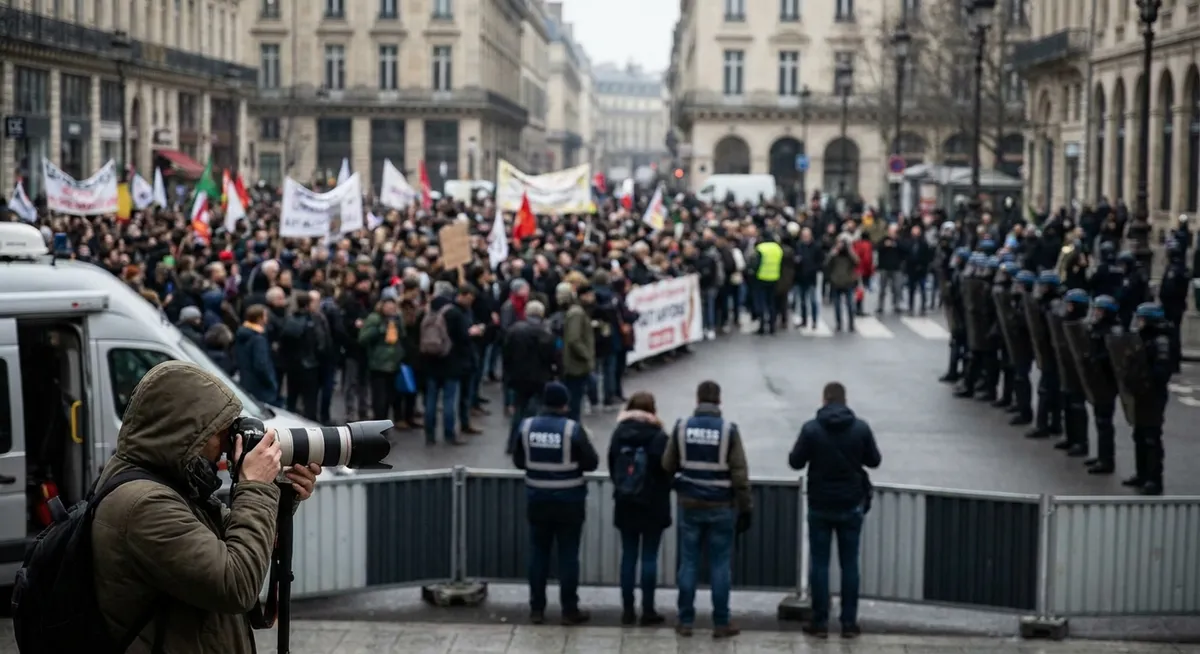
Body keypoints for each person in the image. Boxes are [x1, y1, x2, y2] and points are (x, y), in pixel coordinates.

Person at [92, 360, 319, 653]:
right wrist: (256, 487)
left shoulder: (167, 482)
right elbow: (237, 583)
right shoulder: (144, 504)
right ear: (185, 433)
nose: (226, 444)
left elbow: (234, 539)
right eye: (219, 431)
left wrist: (279, 491)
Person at [788, 381, 881, 639]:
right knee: (849, 565)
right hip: (851, 505)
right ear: (844, 400)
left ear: (824, 400)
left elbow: (795, 462)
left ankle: (819, 622)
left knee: (819, 564)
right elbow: (874, 460)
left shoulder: (812, 429)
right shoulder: (860, 428)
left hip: (820, 505)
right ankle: (849, 623)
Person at [662, 380, 752, 639]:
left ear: (697, 399)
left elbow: (667, 465)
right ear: (719, 401)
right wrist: (746, 508)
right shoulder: (728, 430)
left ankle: (685, 621)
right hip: (721, 506)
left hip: (690, 504)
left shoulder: (681, 428)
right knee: (720, 565)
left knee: (688, 562)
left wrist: (678, 484)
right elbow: (739, 474)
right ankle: (721, 623)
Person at [509, 381, 600, 626]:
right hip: (569, 500)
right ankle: (569, 609)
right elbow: (591, 462)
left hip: (537, 498)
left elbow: (518, 460)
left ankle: (537, 609)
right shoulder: (572, 429)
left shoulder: (526, 426)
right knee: (568, 555)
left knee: (538, 554)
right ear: (565, 403)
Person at [607, 391, 671, 626]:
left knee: (629, 555)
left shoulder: (619, 433)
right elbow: (668, 469)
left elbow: (613, 466)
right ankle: (648, 609)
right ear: (653, 410)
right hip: (653, 503)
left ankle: (627, 609)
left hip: (626, 502)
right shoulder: (659, 436)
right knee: (649, 557)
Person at [502, 300, 557, 436]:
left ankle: (514, 440)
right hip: (539, 377)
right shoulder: (545, 333)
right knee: (536, 409)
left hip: (518, 377)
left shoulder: (514, 330)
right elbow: (551, 357)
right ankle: (531, 439)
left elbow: (506, 354)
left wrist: (508, 373)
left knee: (519, 409)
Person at [359, 296, 406, 423]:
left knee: (390, 398)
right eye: (389, 307)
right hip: (378, 365)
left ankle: (385, 424)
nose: (391, 310)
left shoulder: (396, 319)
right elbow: (363, 338)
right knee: (379, 399)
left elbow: (402, 337)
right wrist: (380, 329)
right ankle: (379, 427)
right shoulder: (375, 319)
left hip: (393, 365)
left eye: (393, 307)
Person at [560, 283, 596, 420]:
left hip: (578, 365)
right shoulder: (577, 313)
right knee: (574, 400)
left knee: (577, 398)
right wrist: (586, 355)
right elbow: (574, 339)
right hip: (576, 366)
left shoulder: (579, 312)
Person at [234, 304, 278, 405]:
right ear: (259, 318)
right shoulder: (259, 339)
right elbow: (261, 364)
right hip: (260, 387)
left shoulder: (242, 334)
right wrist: (271, 382)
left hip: (246, 382)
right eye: (265, 316)